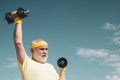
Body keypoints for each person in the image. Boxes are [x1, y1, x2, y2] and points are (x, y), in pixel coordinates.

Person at [13, 12, 66, 80]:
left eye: (46, 49)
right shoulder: (26, 63)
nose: (45, 52)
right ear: (32, 50)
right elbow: (18, 43)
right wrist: (18, 20)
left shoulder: (50, 67)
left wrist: (62, 69)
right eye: (41, 49)